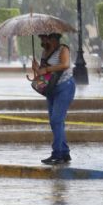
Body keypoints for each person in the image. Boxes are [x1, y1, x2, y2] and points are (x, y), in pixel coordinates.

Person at [32, 33, 76, 165]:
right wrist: (36, 69)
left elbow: (65, 65)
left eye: (45, 39)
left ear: (54, 39)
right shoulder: (44, 52)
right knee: (55, 121)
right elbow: (42, 72)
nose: (42, 41)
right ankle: (64, 152)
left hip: (65, 87)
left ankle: (57, 154)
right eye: (41, 39)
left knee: (57, 120)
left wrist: (45, 69)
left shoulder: (63, 49)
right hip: (51, 89)